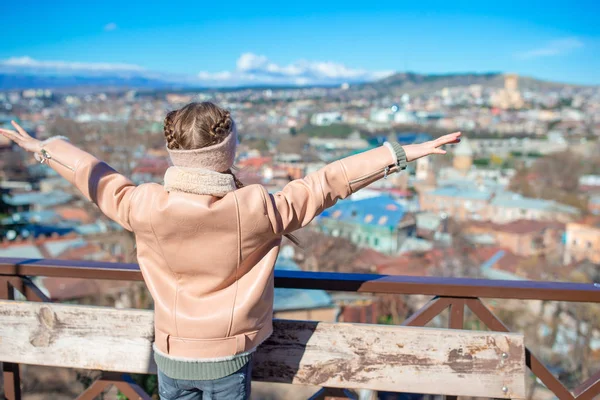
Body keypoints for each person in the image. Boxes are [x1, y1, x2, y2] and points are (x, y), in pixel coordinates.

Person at [0, 102, 461, 400]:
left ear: (174, 152)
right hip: (229, 359)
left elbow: (96, 178)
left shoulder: (143, 205)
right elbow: (328, 183)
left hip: (168, 356)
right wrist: (402, 153)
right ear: (229, 149)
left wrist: (48, 149)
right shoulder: (257, 209)